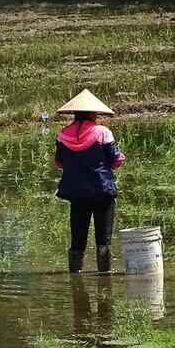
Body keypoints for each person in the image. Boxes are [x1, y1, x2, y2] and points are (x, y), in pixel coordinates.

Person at [53, 89, 125, 273]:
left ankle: (75, 275)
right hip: (101, 191)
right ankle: (105, 276)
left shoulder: (63, 135)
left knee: (77, 239)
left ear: (75, 113)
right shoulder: (102, 133)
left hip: (76, 193)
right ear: (93, 113)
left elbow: (59, 163)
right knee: (103, 239)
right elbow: (115, 161)